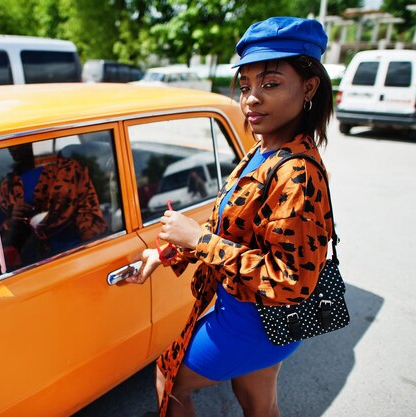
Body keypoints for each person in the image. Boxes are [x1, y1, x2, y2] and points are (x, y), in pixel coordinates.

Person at [127, 16, 334, 417]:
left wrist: (197, 240)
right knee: (259, 404)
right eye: (246, 87)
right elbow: (235, 229)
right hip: (257, 318)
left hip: (254, 321)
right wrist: (168, 253)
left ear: (308, 87)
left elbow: (292, 282)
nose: (252, 98)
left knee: (168, 379)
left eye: (270, 84)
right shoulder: (264, 149)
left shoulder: (297, 171)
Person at [0, 143, 108, 268]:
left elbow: (88, 214)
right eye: (10, 145)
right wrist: (13, 219)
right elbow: (1, 236)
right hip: (28, 263)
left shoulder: (69, 170)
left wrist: (92, 257)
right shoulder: (8, 184)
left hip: (71, 255)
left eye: (17, 142)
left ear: (31, 143)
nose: (12, 147)